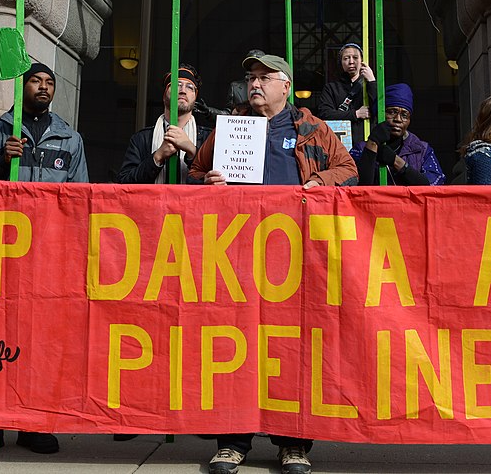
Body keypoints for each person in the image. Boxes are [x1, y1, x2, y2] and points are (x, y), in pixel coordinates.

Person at [191, 53, 356, 474]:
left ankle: (293, 444)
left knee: (294, 346)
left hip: (296, 258)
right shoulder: (231, 126)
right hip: (237, 256)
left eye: (265, 77)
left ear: (286, 85)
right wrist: (207, 182)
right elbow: (194, 174)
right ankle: (232, 442)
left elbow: (349, 170)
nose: (255, 83)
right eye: (251, 77)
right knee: (234, 346)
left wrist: (320, 181)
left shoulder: (313, 128)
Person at [0, 63, 86, 459]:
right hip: (1, 253)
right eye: (36, 81)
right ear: (22, 86)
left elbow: (80, 197)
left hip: (47, 256)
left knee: (39, 341)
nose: (44, 87)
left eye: (50, 82)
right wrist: (0, 162)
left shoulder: (70, 136)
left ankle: (31, 422)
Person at [116, 65, 211, 184]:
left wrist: (192, 151)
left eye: (190, 87)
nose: (182, 90)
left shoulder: (209, 138)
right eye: (176, 85)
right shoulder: (142, 139)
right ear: (164, 95)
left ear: (195, 96)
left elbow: (216, 182)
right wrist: (157, 156)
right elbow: (124, 183)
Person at [351, 83, 444, 186]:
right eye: (391, 112)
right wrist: (372, 144)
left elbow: (434, 186)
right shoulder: (360, 149)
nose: (398, 119)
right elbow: (357, 188)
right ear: (380, 115)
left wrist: (396, 161)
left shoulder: (422, 150)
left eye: (404, 115)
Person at [316, 42, 376, 144]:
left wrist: (372, 81)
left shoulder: (369, 85)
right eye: (346, 58)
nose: (351, 62)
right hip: (340, 144)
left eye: (355, 57)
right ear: (341, 63)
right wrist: (355, 114)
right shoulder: (331, 88)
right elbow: (325, 113)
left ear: (362, 61)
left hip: (367, 142)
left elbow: (379, 109)